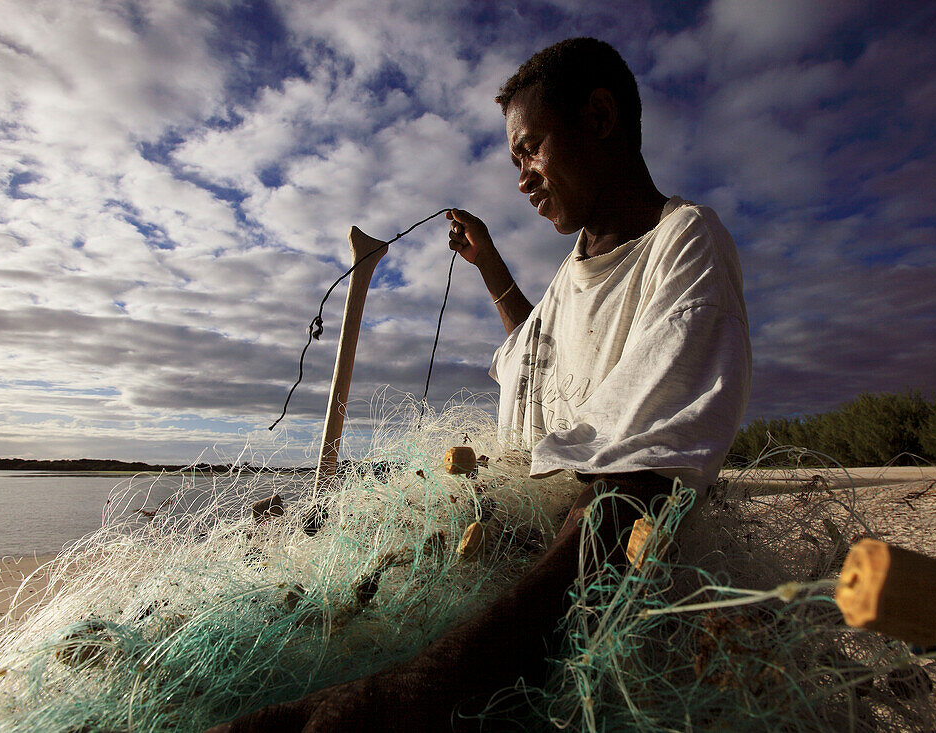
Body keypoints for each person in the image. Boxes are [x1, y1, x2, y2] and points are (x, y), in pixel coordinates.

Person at [212, 37, 750, 732]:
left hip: (590, 619)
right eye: (514, 161)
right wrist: (489, 260)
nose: (522, 175)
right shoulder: (575, 271)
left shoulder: (685, 246)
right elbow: (540, 351)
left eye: (530, 148)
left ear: (600, 117)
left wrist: (410, 689)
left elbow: (626, 497)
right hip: (507, 575)